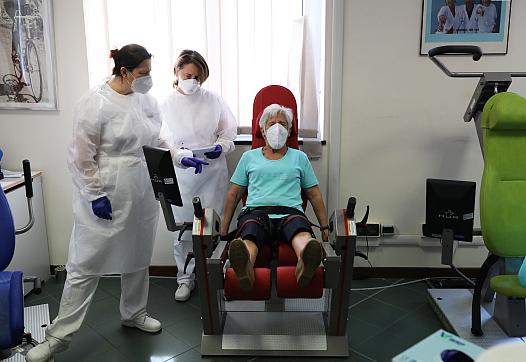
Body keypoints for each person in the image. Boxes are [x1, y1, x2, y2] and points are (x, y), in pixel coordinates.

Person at [25, 44, 207, 362]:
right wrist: (94, 194)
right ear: (123, 72)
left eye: (150, 72)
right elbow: (80, 155)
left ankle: (134, 313)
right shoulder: (95, 103)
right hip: (105, 193)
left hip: (140, 190)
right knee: (84, 265)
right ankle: (59, 336)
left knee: (137, 256)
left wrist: (180, 156)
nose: (149, 79)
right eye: (143, 73)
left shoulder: (146, 101)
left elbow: (157, 139)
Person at [220, 103, 329, 292]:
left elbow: (314, 193)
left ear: (289, 131)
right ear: (263, 130)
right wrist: (223, 231)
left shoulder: (299, 157)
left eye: (282, 124)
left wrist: (325, 227)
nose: (277, 128)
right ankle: (245, 268)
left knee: (301, 232)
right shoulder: (249, 157)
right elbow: (234, 193)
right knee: (250, 235)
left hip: (291, 213)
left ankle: (307, 262)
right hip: (256, 213)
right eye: (272, 124)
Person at [160, 49, 237, 302]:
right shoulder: (166, 105)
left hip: (212, 173)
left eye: (198, 77)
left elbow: (229, 132)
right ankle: (185, 279)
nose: (192, 81)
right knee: (183, 231)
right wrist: (180, 156)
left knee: (216, 226)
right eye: (188, 75)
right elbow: (163, 141)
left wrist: (220, 148)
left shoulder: (213, 100)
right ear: (177, 72)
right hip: (183, 176)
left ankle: (218, 274)